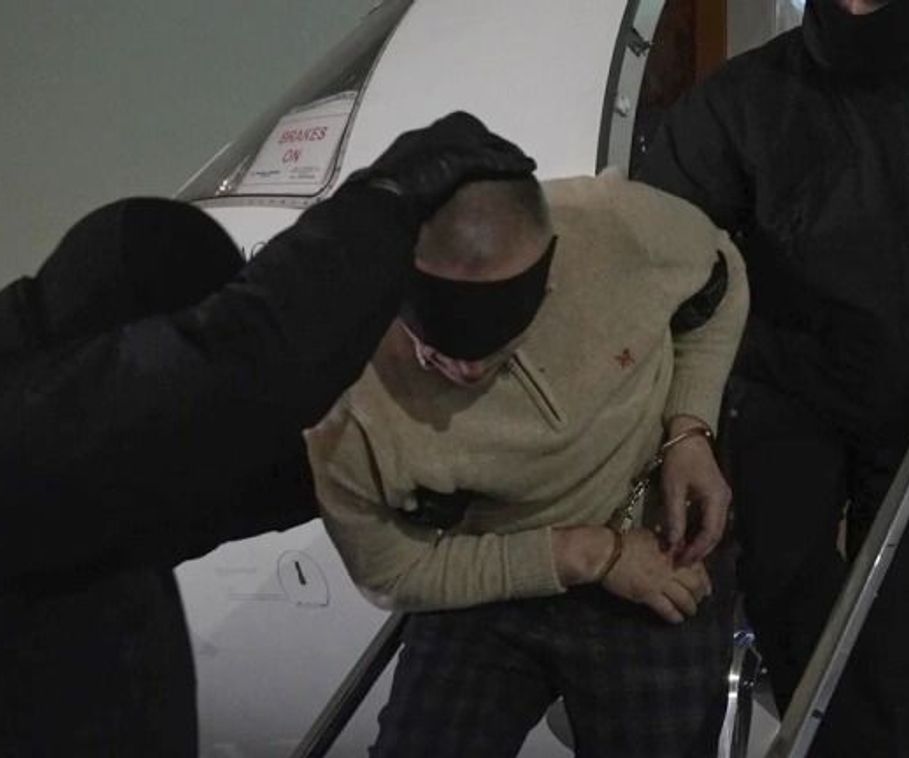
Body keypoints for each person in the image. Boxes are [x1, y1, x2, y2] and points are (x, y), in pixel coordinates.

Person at [0, 112, 535, 756]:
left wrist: (383, 473)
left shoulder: (40, 477)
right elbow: (225, 383)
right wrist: (384, 202)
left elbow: (209, 486)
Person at [637, 1, 909, 755]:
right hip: (785, 392)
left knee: (898, 634)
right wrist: (682, 421)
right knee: (790, 601)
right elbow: (659, 251)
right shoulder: (740, 100)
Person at [306, 170, 748, 757]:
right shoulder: (345, 402)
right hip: (489, 563)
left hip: (654, 540)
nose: (465, 372)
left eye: (491, 343)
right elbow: (393, 572)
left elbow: (721, 276)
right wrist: (587, 554)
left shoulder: (611, 226)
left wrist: (690, 428)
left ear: (546, 282)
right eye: (437, 350)